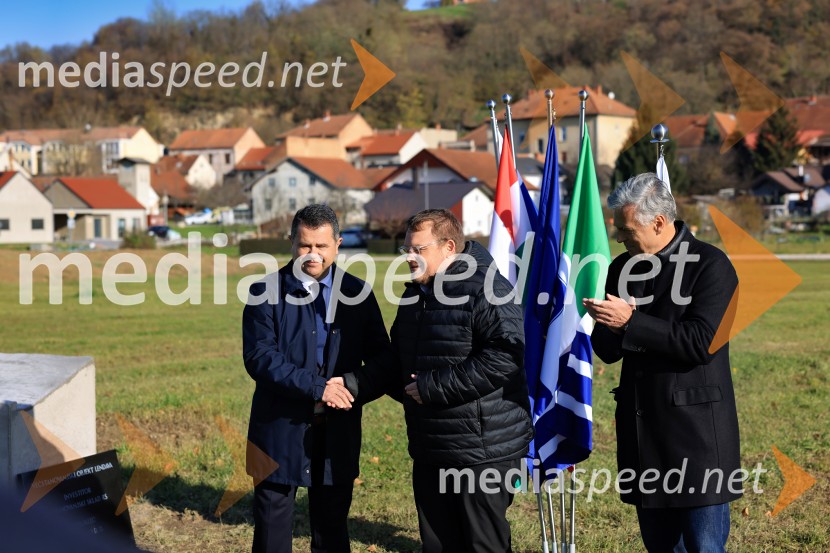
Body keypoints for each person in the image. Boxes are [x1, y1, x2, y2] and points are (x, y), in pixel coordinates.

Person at [350, 209, 533, 553]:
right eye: (406, 250)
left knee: (483, 545)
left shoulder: (488, 288)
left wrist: (432, 387)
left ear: (449, 247)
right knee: (437, 544)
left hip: (483, 451)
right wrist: (350, 387)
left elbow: (505, 356)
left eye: (419, 250)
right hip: (432, 446)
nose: (409, 258)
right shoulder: (416, 295)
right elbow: (397, 361)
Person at [584, 173, 741, 553]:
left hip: (697, 440)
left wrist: (632, 322)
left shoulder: (711, 265)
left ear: (658, 222)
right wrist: (607, 323)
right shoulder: (624, 268)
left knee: (704, 548)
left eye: (625, 229)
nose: (619, 238)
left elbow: (702, 343)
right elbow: (606, 349)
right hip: (644, 436)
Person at [242, 204, 391, 553]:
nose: (312, 255)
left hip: (337, 430)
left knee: (332, 531)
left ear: (338, 244)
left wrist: (351, 387)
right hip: (277, 430)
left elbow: (383, 361)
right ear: (291, 242)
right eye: (304, 245)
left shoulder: (359, 294)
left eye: (321, 246)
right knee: (271, 535)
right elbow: (260, 359)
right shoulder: (264, 292)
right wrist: (319, 388)